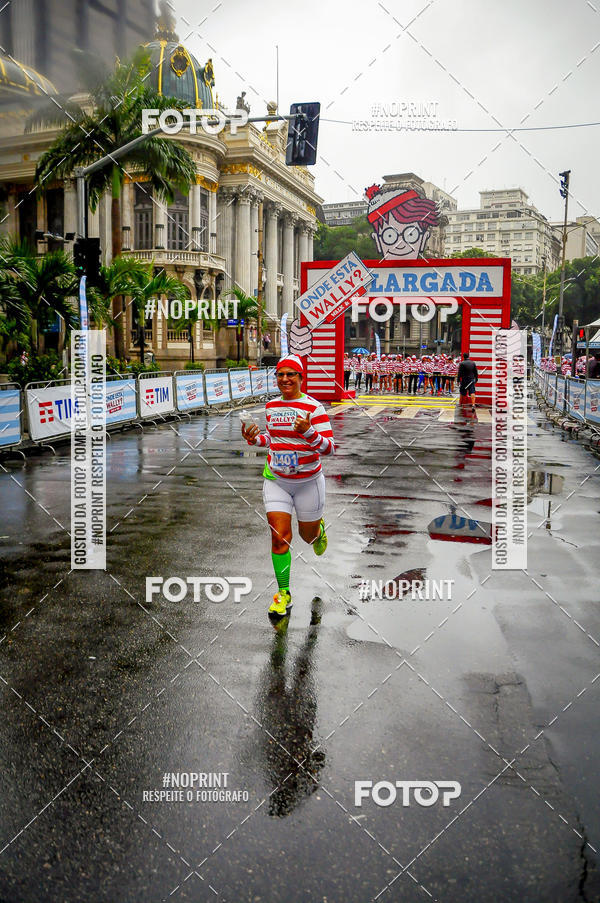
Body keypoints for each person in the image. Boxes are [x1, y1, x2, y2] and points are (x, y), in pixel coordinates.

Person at [241, 354, 335, 619]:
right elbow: (273, 439)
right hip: (277, 481)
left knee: (308, 537)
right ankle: (283, 594)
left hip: (308, 483)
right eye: (280, 374)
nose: (285, 379)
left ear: (301, 378)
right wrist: (255, 439)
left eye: (291, 374)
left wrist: (309, 433)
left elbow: (329, 447)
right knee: (280, 538)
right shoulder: (271, 406)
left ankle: (318, 530)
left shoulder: (314, 408)